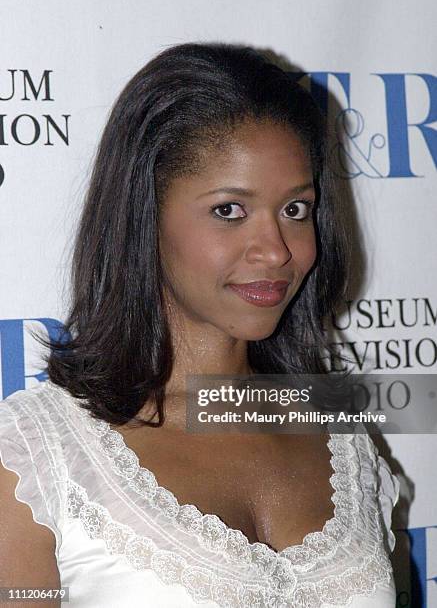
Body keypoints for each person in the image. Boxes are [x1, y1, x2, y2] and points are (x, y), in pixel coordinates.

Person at [0, 42, 399, 607]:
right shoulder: (35, 460)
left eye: (296, 209)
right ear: (144, 216)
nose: (276, 252)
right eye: (229, 210)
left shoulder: (341, 433)